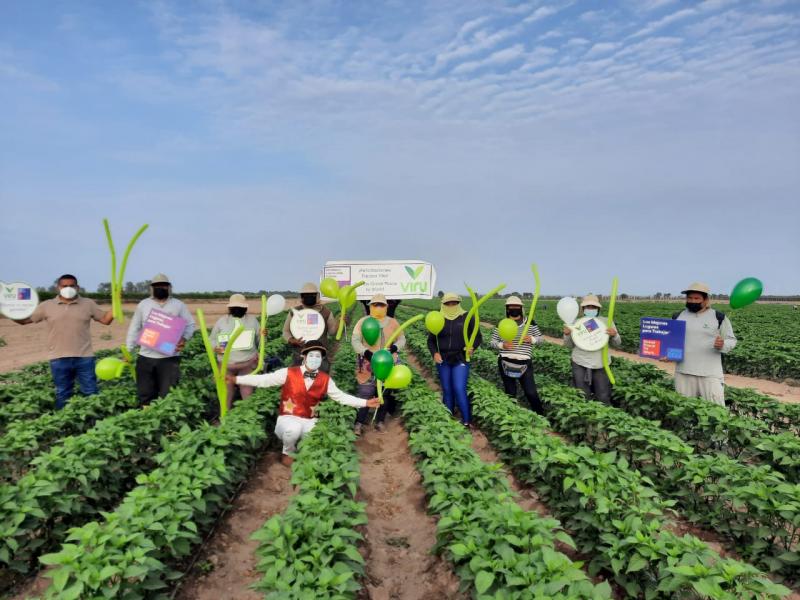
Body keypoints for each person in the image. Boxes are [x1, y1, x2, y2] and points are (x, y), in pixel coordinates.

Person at [230, 341, 379, 465]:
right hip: (288, 418)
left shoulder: (325, 379)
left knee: (316, 441)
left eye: (318, 356)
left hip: (310, 419)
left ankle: (305, 458)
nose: (315, 358)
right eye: (312, 355)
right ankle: (287, 452)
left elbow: (341, 397)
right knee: (293, 430)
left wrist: (366, 403)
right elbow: (264, 380)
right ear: (304, 356)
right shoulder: (289, 372)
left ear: (322, 360)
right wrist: (237, 380)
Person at [14, 274, 113, 409]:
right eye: (64, 286)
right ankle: (64, 425)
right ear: (58, 288)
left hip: (84, 357)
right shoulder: (47, 305)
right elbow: (25, 321)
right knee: (63, 393)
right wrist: (10, 311)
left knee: (91, 392)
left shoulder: (88, 304)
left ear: (77, 287)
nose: (68, 288)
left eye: (72, 286)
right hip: (58, 358)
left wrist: (116, 303)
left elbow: (106, 320)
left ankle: (94, 425)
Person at [126, 273, 196, 405]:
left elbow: (190, 324)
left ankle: (165, 421)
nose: (160, 288)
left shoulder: (178, 305)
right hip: (146, 356)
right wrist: (128, 350)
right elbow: (134, 328)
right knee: (145, 394)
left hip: (169, 358)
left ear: (169, 287)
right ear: (152, 288)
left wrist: (184, 339)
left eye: (163, 285)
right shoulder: (143, 304)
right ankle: (147, 417)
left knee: (168, 394)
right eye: (157, 286)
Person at [671, 282, 736, 406]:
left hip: (710, 374)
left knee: (715, 410)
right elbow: (672, 341)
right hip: (683, 372)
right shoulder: (678, 316)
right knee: (683, 409)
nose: (692, 301)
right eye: (690, 298)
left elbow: (731, 340)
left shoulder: (718, 317)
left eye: (696, 298)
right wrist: (666, 353)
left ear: (705, 299)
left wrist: (722, 344)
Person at [351, 293, 406, 435]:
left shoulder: (393, 322)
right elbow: (355, 341)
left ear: (386, 306)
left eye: (381, 305)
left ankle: (380, 421)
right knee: (365, 392)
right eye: (375, 305)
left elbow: (402, 339)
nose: (378, 307)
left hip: (388, 362)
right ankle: (359, 422)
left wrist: (395, 348)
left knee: (385, 393)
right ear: (370, 306)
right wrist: (366, 352)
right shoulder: (362, 322)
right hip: (367, 363)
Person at [427, 292, 482, 426]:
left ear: (459, 303)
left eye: (454, 303)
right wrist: (434, 353)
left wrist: (472, 347)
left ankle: (466, 421)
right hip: (443, 360)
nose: (451, 305)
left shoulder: (467, 317)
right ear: (443, 304)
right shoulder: (438, 318)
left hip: (460, 358)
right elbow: (430, 341)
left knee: (459, 388)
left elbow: (478, 336)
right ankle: (448, 418)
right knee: (447, 389)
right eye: (448, 303)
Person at [210, 294, 267, 412]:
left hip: (247, 363)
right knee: (226, 393)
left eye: (240, 307)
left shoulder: (252, 321)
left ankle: (248, 417)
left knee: (247, 393)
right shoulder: (222, 321)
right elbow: (212, 339)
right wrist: (216, 347)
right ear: (230, 309)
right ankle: (224, 418)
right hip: (226, 364)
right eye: (235, 307)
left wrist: (263, 336)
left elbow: (260, 342)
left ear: (245, 308)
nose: (237, 309)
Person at [489, 296, 544, 414]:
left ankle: (541, 416)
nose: (514, 308)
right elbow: (492, 342)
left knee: (531, 392)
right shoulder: (502, 324)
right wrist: (502, 345)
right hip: (505, 361)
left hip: (524, 362)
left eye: (517, 306)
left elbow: (541, 339)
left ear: (521, 308)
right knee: (510, 392)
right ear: (507, 309)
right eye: (511, 306)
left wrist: (532, 339)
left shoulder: (530, 322)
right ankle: (512, 417)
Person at [563, 294, 621, 404]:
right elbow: (569, 346)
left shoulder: (606, 322)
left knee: (603, 395)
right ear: (583, 309)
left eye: (593, 307)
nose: (590, 309)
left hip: (601, 363)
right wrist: (566, 335)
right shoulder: (576, 323)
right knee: (582, 395)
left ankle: (604, 417)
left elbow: (617, 344)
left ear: (598, 308)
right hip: (580, 362)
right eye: (588, 307)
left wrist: (614, 335)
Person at [282, 282, 337, 370]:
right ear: (302, 297)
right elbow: (285, 331)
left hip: (319, 356)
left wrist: (338, 323)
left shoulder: (326, 312)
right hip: (299, 355)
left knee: (320, 381)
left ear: (317, 296)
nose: (309, 297)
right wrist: (291, 340)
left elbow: (332, 332)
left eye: (312, 295)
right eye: (306, 295)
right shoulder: (294, 312)